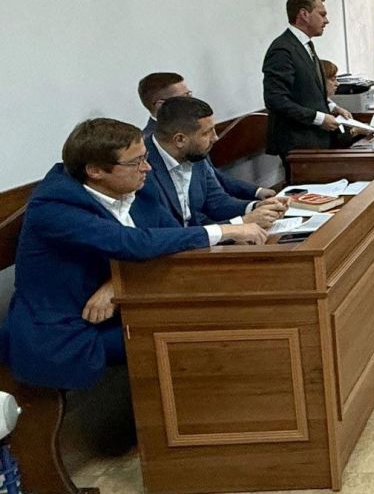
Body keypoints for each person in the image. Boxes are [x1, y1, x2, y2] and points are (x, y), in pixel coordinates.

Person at [0, 119, 266, 391]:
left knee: (220, 314)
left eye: (145, 157)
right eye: (136, 162)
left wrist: (116, 283)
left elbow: (171, 237)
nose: (147, 167)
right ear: (95, 171)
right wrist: (226, 230)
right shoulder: (54, 206)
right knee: (191, 333)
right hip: (64, 332)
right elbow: (129, 242)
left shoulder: (135, 186)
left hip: (120, 309)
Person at [141, 97, 287, 228]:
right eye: (206, 133)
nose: (215, 138)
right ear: (179, 140)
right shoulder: (142, 169)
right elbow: (169, 233)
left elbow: (217, 203)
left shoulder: (194, 154)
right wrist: (240, 224)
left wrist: (256, 206)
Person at [137, 72, 276, 200]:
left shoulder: (195, 129)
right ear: (161, 105)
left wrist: (256, 192)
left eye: (190, 94)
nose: (192, 100)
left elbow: (212, 176)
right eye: (185, 97)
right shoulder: (148, 148)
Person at [263, 0, 346, 175]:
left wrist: (332, 107)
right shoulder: (282, 49)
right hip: (299, 143)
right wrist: (320, 118)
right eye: (322, 14)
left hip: (315, 139)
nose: (326, 21)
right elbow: (275, 99)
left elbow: (307, 89)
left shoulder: (305, 44)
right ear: (304, 14)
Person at [322, 59, 370, 147]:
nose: (337, 84)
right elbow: (335, 143)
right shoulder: (318, 107)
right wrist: (355, 131)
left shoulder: (328, 104)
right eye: (333, 80)